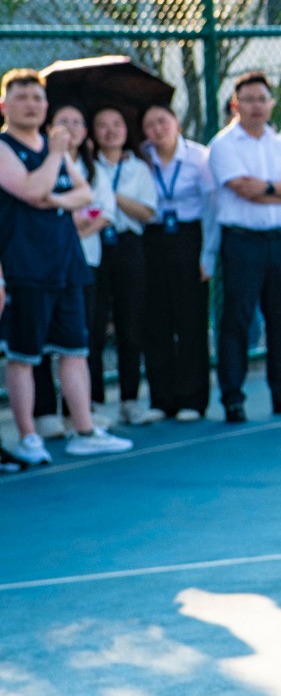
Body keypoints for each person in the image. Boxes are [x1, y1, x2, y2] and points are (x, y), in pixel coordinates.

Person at [0, 70, 133, 463]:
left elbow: (84, 193)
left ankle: (84, 429)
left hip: (66, 262)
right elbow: (30, 190)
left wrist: (54, 199)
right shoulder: (6, 148)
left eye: (37, 98)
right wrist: (56, 158)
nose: (32, 105)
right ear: (4, 105)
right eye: (22, 97)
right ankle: (28, 437)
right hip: (25, 265)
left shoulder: (49, 144)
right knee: (24, 356)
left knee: (75, 350)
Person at [207, 71, 281, 422]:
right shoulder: (223, 144)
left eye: (261, 99)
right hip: (241, 242)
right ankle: (233, 399)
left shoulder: (278, 143)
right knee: (236, 320)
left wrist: (266, 189)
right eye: (248, 99)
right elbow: (242, 188)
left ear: (271, 104)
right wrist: (278, 191)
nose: (256, 106)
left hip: (280, 241)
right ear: (235, 104)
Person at [30, 103, 111, 437]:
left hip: (82, 262)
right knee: (38, 343)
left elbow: (98, 206)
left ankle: (78, 413)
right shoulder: (38, 160)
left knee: (78, 341)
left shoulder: (91, 169)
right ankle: (44, 413)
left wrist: (63, 211)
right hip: (42, 263)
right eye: (64, 121)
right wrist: (66, 212)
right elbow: (36, 198)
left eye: (78, 122)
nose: (71, 128)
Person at [141, 103, 217, 421]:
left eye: (163, 121)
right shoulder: (140, 157)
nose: (157, 129)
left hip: (189, 238)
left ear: (176, 123)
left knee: (191, 321)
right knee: (155, 321)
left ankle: (192, 399)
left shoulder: (199, 157)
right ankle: (161, 400)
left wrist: (207, 255)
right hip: (152, 239)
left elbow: (211, 209)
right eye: (150, 124)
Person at [88, 107, 162, 425]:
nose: (110, 131)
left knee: (130, 327)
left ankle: (130, 400)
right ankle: (92, 403)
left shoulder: (138, 168)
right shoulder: (86, 166)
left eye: (116, 124)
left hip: (129, 247)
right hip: (95, 245)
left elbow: (147, 212)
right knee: (93, 326)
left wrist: (110, 196)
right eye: (101, 125)